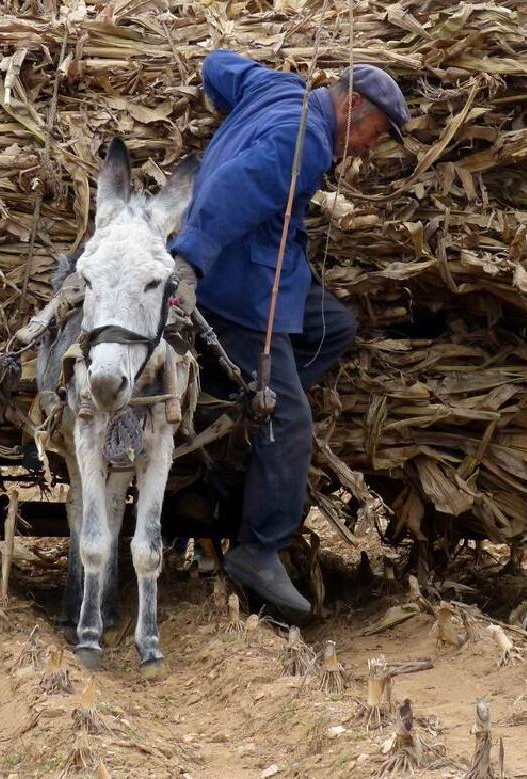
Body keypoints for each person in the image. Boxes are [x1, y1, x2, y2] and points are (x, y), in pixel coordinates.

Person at [169, 50, 408, 621]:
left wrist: (236, 111)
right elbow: (232, 189)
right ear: (352, 106)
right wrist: (189, 264)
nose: (372, 146)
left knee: (336, 327)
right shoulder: (306, 144)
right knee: (290, 416)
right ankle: (259, 548)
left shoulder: (278, 90)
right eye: (376, 132)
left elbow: (217, 65)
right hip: (244, 294)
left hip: (276, 275)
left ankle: (235, 405)